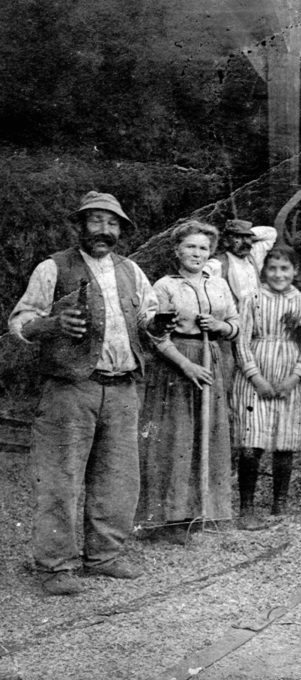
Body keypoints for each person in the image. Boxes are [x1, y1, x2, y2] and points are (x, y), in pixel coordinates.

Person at [9, 192, 162, 595]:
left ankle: (105, 557)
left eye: (113, 224)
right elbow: (21, 322)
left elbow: (148, 315)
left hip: (123, 386)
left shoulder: (131, 270)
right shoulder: (52, 267)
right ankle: (56, 566)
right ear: (79, 226)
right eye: (96, 221)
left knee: (118, 478)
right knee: (60, 479)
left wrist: (157, 323)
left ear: (122, 231)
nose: (105, 230)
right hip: (70, 389)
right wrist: (53, 324)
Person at [139, 220, 241, 544]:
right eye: (190, 247)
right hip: (176, 364)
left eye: (203, 248)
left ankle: (206, 513)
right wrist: (187, 365)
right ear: (177, 251)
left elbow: (237, 324)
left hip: (212, 359)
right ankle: (169, 519)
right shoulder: (165, 286)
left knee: (209, 435)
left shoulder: (219, 285)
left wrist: (221, 326)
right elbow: (155, 335)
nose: (197, 253)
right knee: (177, 438)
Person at [229, 245, 301, 528]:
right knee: (251, 444)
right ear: (264, 271)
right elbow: (241, 341)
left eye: (285, 269)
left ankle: (280, 503)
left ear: (295, 271)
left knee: (284, 442)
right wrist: (256, 377)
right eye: (273, 268)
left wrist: (294, 378)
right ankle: (247, 508)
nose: (279, 274)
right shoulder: (251, 298)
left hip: (288, 379)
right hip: (255, 378)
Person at [206, 219, 277, 314]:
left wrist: (250, 234)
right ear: (226, 241)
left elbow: (271, 233)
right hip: (237, 319)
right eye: (238, 238)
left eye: (247, 237)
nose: (244, 242)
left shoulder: (254, 255)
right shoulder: (218, 263)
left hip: (260, 315)